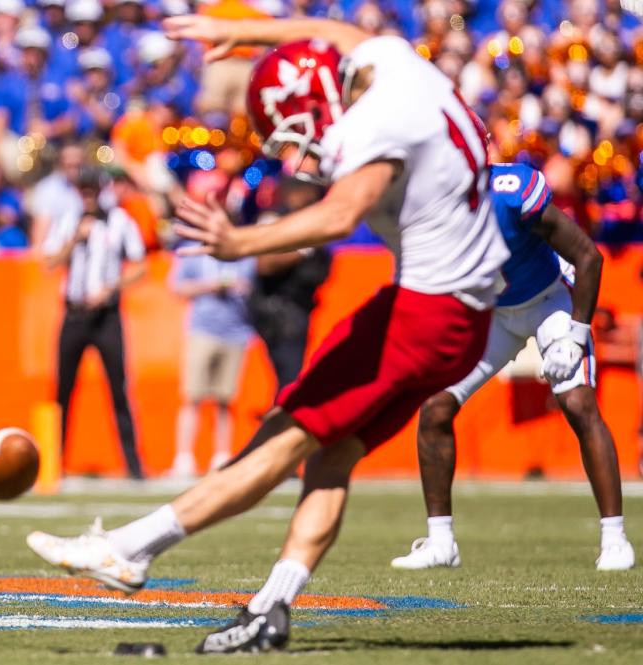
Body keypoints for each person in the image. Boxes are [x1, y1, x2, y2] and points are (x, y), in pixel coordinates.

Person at [26, 16, 509, 653]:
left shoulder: (376, 118)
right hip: (460, 315)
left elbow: (339, 214)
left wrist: (238, 242)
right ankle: (271, 606)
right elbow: (330, 29)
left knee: (283, 437)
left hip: (428, 310)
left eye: (295, 132)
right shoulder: (397, 65)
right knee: (330, 454)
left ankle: (129, 549)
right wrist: (249, 32)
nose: (295, 153)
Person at [392, 163, 635, 572]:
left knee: (577, 403)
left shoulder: (511, 190)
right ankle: (441, 542)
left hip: (550, 299)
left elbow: (588, 256)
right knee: (435, 406)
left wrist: (575, 335)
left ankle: (615, 538)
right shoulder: (425, 203)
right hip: (492, 313)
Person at [43, 167, 147, 479]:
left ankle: (134, 466)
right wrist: (75, 237)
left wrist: (110, 288)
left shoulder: (120, 221)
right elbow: (49, 262)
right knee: (63, 388)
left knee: (118, 388)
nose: (87, 195)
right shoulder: (67, 221)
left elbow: (140, 266)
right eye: (82, 189)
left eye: (91, 189)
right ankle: (54, 463)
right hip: (74, 314)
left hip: (107, 316)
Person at [168, 238, 256, 477]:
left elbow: (257, 287)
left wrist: (242, 287)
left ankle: (221, 456)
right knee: (192, 396)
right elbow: (177, 287)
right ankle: (184, 458)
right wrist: (211, 286)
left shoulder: (245, 247)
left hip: (237, 331)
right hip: (203, 330)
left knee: (225, 399)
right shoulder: (193, 248)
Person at [249, 177, 332, 391]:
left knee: (290, 381)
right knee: (289, 383)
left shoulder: (311, 223)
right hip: (279, 313)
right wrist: (304, 249)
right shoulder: (275, 219)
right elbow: (265, 265)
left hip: (300, 307)